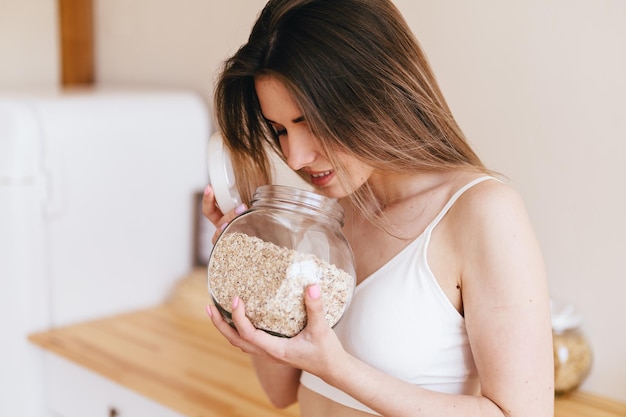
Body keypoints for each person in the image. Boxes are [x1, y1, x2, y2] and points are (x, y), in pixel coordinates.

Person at [202, 0, 554, 416]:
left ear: (376, 93)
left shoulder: (481, 211)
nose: (294, 157)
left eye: (309, 122)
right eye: (279, 130)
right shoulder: (326, 217)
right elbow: (283, 392)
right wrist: (251, 269)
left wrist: (338, 368)